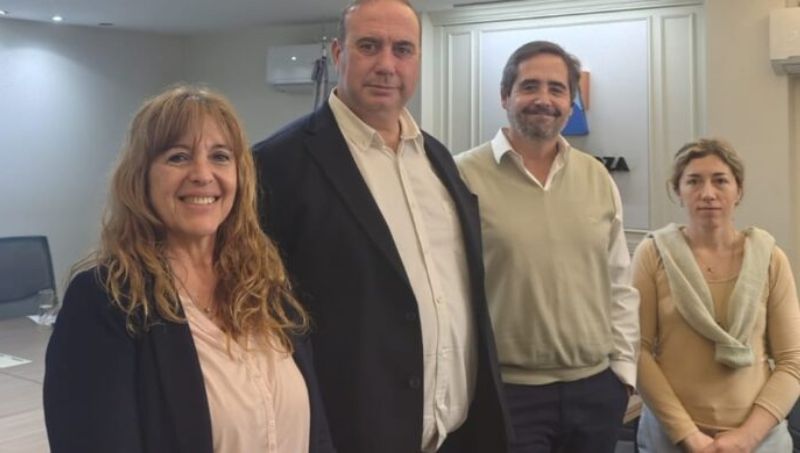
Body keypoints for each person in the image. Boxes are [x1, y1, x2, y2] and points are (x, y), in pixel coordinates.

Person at [252, 1, 510, 452]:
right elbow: (260, 314)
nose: (387, 65)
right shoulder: (276, 165)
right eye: (369, 46)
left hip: (458, 434)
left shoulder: (438, 159)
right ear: (339, 54)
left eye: (403, 49)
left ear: (418, 59)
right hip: (351, 436)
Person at [43, 85, 334, 453]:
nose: (202, 174)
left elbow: (317, 435)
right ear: (141, 176)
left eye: (220, 156)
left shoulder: (266, 285)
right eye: (178, 157)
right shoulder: (105, 300)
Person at [456, 40, 639, 453]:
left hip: (595, 391)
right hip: (506, 393)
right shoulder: (462, 175)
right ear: (505, 96)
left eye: (556, 89)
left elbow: (619, 282)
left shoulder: (597, 177)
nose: (544, 99)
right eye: (530, 86)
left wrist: (623, 374)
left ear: (571, 102)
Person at [633, 138, 800, 453]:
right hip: (671, 439)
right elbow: (636, 351)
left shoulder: (770, 258)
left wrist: (746, 438)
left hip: (760, 441)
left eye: (720, 181)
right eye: (694, 181)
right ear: (678, 190)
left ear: (739, 190)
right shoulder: (653, 253)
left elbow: (793, 361)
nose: (708, 193)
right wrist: (689, 436)